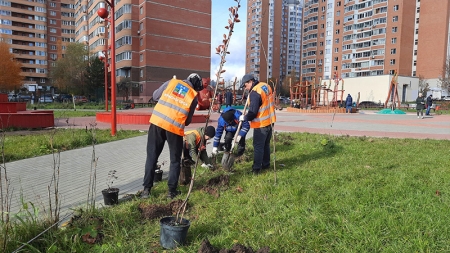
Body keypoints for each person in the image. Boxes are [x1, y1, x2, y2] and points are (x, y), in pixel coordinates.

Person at [142, 73, 204, 199]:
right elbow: (187, 121)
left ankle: (146, 190)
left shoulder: (171, 83)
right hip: (174, 128)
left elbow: (155, 96)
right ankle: (171, 192)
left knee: (152, 157)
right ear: (197, 86)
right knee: (175, 160)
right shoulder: (193, 95)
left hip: (157, 122)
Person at [239, 74, 276, 174]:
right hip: (270, 120)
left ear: (250, 81)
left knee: (258, 146)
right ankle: (266, 164)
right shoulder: (265, 86)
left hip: (261, 124)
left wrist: (245, 117)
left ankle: (256, 169)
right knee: (266, 145)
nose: (245, 88)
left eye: (245, 85)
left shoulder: (255, 92)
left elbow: (253, 112)